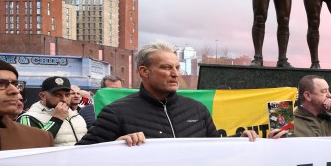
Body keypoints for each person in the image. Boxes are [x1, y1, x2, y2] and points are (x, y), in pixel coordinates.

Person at [79, 42, 256, 145]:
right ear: (144, 71)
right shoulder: (115, 113)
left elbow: (214, 148)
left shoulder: (197, 110)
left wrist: (240, 141)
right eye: (166, 67)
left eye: (177, 68)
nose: (175, 73)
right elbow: (80, 157)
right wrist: (116, 146)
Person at [18, 75, 88, 146]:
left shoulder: (76, 116)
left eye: (67, 95)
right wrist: (57, 119)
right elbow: (34, 145)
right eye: (57, 95)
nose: (64, 99)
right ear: (43, 96)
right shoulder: (29, 118)